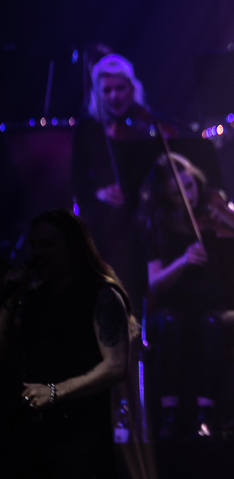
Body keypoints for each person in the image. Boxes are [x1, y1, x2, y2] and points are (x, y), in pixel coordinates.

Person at [0, 209, 131, 479]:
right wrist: (9, 299)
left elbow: (116, 365)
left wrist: (54, 392)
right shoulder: (31, 298)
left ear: (71, 247)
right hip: (28, 438)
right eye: (33, 245)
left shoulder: (101, 295)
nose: (36, 253)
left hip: (79, 438)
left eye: (47, 245)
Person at [139, 152, 234, 439]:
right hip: (172, 307)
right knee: (170, 325)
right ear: (165, 198)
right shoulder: (159, 226)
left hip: (209, 305)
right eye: (176, 194)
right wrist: (183, 261)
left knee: (212, 324)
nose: (188, 197)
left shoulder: (210, 216)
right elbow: (155, 282)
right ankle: (169, 416)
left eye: (190, 186)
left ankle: (206, 416)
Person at [72, 53, 173, 301]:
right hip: (100, 221)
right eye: (106, 91)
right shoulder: (87, 129)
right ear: (97, 94)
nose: (114, 96)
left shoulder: (144, 126)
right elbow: (76, 181)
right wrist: (99, 193)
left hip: (139, 217)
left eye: (120, 88)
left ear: (132, 89)